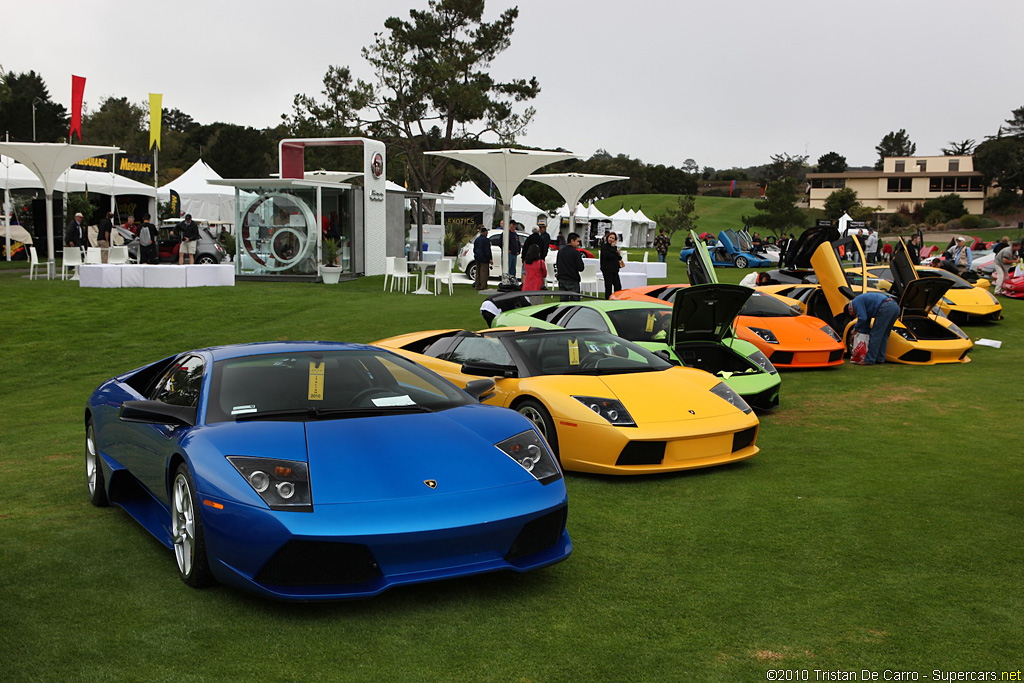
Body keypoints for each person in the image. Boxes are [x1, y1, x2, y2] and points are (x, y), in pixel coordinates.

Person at [846, 292, 901, 365]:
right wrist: (863, 332)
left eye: (853, 314)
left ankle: (869, 360)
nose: (855, 315)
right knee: (884, 335)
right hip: (895, 307)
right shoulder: (864, 303)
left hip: (885, 307)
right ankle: (880, 358)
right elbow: (866, 322)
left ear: (850, 308)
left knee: (875, 335)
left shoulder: (856, 302)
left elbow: (862, 318)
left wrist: (855, 329)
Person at [556, 232, 586, 300]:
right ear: (572, 241)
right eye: (577, 241)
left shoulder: (560, 251)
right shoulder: (576, 253)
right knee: (575, 303)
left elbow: (558, 264)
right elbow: (580, 267)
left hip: (562, 278)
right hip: (573, 279)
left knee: (563, 303)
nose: (578, 243)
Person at [600, 231, 623, 299]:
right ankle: (607, 300)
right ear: (607, 238)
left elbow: (618, 258)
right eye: (610, 237)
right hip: (607, 270)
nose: (611, 239)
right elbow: (608, 256)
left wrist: (618, 253)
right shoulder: (604, 247)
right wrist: (613, 249)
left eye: (613, 238)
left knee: (618, 286)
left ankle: (617, 299)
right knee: (608, 287)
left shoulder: (614, 248)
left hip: (614, 270)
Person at [472, 225, 491, 290]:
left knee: (478, 272)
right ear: (485, 232)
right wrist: (490, 258)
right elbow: (487, 250)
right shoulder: (486, 240)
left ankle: (477, 285)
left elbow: (474, 249)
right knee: (484, 273)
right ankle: (483, 286)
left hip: (477, 257)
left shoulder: (477, 240)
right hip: (484, 258)